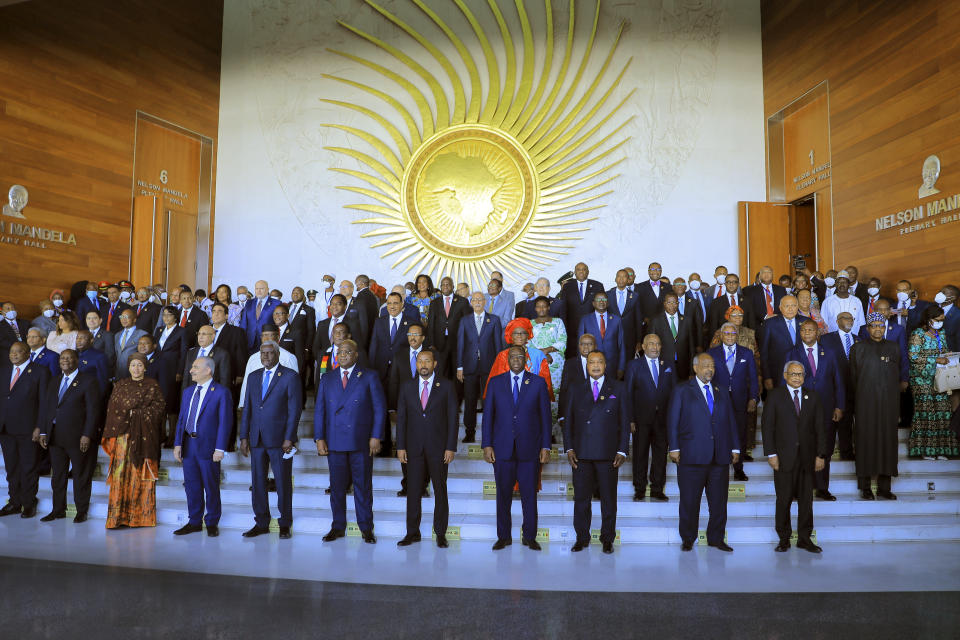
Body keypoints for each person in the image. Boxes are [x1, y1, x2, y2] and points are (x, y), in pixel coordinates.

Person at [314, 339, 385, 544]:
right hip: (335, 441)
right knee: (336, 488)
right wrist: (319, 438)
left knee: (362, 487)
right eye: (340, 352)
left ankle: (366, 528)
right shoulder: (327, 378)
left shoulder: (369, 376)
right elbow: (320, 410)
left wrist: (376, 436)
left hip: (360, 441)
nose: (342, 355)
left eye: (347, 352)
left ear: (356, 355)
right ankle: (337, 527)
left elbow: (379, 409)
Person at [667, 354, 739, 551]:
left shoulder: (721, 390)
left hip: (719, 456)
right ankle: (688, 538)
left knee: (719, 502)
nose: (710, 370)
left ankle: (716, 538)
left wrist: (735, 447)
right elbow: (673, 420)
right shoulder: (682, 390)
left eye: (712, 367)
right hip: (691, 455)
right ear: (695, 367)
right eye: (706, 366)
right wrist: (674, 447)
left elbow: (730, 420)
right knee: (690, 501)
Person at [482, 346, 552, 550]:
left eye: (520, 357)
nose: (516, 360)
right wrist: (487, 444)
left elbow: (545, 419)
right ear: (507, 359)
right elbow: (488, 417)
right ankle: (503, 536)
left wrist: (546, 446)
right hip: (502, 449)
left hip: (529, 449)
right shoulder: (495, 383)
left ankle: (530, 536)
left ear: (525, 359)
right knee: (502, 495)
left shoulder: (538, 383)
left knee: (529, 495)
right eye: (512, 357)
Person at [563, 351, 629, 553]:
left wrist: (622, 450)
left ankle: (607, 538)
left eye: (600, 361)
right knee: (581, 499)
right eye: (592, 362)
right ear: (586, 366)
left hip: (608, 453)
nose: (596, 365)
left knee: (609, 499)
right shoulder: (575, 389)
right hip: (581, 453)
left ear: (606, 365)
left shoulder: (618, 387)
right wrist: (569, 448)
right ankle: (581, 537)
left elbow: (625, 422)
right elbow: (568, 421)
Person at [762, 361, 829, 553]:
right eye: (793, 374)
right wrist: (771, 454)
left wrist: (820, 455)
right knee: (783, 499)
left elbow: (819, 429)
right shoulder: (775, 396)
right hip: (783, 458)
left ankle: (804, 539)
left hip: (807, 458)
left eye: (800, 374)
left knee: (806, 501)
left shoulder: (813, 397)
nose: (797, 377)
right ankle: (784, 539)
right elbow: (768, 428)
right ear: (785, 376)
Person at [239, 341, 302, 539]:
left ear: (277, 354)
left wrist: (289, 437)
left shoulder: (290, 376)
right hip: (256, 438)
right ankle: (261, 522)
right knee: (258, 483)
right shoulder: (253, 376)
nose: (265, 357)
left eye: (269, 353)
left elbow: (294, 410)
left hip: (280, 440)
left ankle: (285, 523)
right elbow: (248, 408)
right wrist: (243, 436)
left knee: (283, 482)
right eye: (262, 353)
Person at [395, 348, 458, 548]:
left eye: (427, 361)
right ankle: (412, 532)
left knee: (440, 490)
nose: (423, 365)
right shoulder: (406, 387)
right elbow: (402, 419)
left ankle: (440, 533)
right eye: (420, 361)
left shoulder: (447, 387)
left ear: (434, 364)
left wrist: (450, 447)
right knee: (413, 491)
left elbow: (453, 419)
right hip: (413, 449)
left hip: (439, 449)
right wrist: (401, 446)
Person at [101, 353, 167, 528]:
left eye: (140, 365)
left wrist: (136, 414)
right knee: (120, 475)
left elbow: (159, 409)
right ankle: (117, 518)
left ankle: (140, 518)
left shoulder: (152, 385)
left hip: (144, 439)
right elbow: (112, 409)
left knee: (140, 475)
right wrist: (128, 415)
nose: (136, 369)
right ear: (128, 367)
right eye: (133, 365)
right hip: (123, 438)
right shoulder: (121, 385)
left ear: (145, 367)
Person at [172, 355, 233, 537]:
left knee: (211, 485)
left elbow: (225, 422)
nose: (191, 370)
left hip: (209, 446)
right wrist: (177, 443)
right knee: (191, 485)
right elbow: (182, 419)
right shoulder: (188, 391)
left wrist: (220, 448)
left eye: (196, 367)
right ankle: (194, 521)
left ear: (208, 370)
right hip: (189, 444)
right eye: (192, 367)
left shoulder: (221, 392)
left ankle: (212, 521)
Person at [36, 349, 99, 523]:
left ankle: (81, 511)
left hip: (78, 437)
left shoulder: (88, 381)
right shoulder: (54, 381)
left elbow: (93, 411)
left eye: (69, 358)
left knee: (80, 475)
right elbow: (47, 408)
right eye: (63, 358)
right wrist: (43, 430)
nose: (65, 361)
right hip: (55, 436)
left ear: (77, 361)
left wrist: (87, 434)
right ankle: (58, 510)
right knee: (57, 476)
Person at [849, 313, 907, 500]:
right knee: (865, 443)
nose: (877, 329)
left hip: (889, 405)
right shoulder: (858, 348)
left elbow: (898, 377)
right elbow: (852, 379)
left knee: (887, 444)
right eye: (874, 326)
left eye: (881, 326)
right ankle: (865, 487)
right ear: (867, 328)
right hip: (865, 404)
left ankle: (884, 488)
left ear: (885, 328)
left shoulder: (894, 348)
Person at [786, 319, 846, 500]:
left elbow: (838, 381)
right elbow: (785, 383)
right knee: (800, 448)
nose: (807, 333)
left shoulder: (830, 352)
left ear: (817, 332)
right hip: (800, 408)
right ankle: (799, 488)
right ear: (800, 332)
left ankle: (822, 487)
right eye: (804, 330)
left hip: (826, 408)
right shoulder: (792, 353)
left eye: (811, 330)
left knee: (824, 447)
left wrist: (839, 405)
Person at [0, 342, 50, 518]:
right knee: (12, 468)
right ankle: (14, 502)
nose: (14, 354)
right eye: (11, 351)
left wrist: (40, 427)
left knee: (28, 467)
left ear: (28, 353)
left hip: (29, 429)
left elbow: (45, 402)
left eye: (18, 351)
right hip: (6, 429)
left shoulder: (40, 371)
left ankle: (29, 503)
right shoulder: (4, 370)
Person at [624, 334, 674, 501]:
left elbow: (674, 393)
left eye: (658, 344)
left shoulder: (668, 365)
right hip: (640, 419)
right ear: (643, 347)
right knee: (640, 454)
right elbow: (628, 393)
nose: (655, 347)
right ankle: (639, 488)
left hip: (663, 419)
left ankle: (657, 488)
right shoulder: (634, 365)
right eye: (651, 344)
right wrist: (630, 418)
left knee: (660, 454)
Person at [708, 322, 759, 481]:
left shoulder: (747, 353)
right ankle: (717, 467)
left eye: (733, 334)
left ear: (737, 336)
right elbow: (708, 377)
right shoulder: (712, 353)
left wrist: (753, 398)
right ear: (721, 336)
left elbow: (753, 378)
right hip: (719, 400)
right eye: (727, 334)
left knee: (740, 434)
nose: (730, 336)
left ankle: (738, 469)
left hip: (740, 399)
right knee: (717, 433)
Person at [907, 306, 959, 459]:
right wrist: (936, 359)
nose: (940, 323)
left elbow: (943, 351)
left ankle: (942, 450)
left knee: (943, 412)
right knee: (927, 413)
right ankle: (925, 450)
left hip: (941, 379)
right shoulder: (918, 334)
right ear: (929, 320)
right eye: (938, 320)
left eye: (942, 320)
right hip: (922, 380)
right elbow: (913, 357)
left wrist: (948, 355)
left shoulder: (941, 334)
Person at [387, 323, 431, 491]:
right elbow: (393, 383)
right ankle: (407, 484)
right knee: (404, 447)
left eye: (416, 334)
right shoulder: (399, 355)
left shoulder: (432, 356)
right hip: (405, 411)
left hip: (426, 410)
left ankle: (423, 485)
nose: (412, 337)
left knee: (424, 448)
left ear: (423, 338)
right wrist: (392, 408)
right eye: (410, 334)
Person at [456, 292, 504, 443]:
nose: (477, 302)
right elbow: (460, 345)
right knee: (470, 400)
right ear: (471, 302)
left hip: (489, 367)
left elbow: (498, 346)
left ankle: (490, 433)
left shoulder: (494, 320)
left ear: (485, 302)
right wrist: (459, 367)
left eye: (480, 299)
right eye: (474, 300)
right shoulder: (464, 320)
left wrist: (499, 367)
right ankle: (469, 433)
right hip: (469, 367)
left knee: (489, 400)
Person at [821, 311, 860, 461]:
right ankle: (825, 453)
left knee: (847, 422)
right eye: (845, 318)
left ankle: (846, 452)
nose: (849, 320)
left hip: (852, 389)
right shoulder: (826, 339)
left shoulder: (859, 340)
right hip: (831, 389)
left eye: (851, 318)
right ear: (837, 321)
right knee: (829, 424)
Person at [485, 318, 554, 399]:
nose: (519, 336)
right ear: (511, 335)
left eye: (523, 333)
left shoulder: (538, 355)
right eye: (515, 333)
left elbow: (545, 382)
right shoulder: (502, 355)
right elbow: (496, 383)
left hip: (532, 397)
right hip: (508, 398)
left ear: (528, 335)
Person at [154, 306, 187, 447]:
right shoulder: (159, 330)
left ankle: (173, 437)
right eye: (164, 315)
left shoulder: (182, 331)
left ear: (175, 316)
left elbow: (184, 353)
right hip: (158, 371)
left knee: (171, 404)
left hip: (172, 371)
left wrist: (180, 371)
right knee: (159, 403)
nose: (166, 317)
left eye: (169, 315)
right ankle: (161, 434)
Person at [759, 294, 808, 391]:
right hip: (777, 373)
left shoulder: (806, 322)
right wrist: (767, 377)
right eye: (787, 306)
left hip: (803, 372)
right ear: (780, 308)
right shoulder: (769, 324)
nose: (790, 309)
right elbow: (764, 352)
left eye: (793, 306)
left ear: (798, 307)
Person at [531, 295, 567, 424]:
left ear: (549, 307)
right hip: (536, 363)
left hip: (555, 364)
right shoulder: (529, 324)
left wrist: (547, 350)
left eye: (544, 306)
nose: (541, 309)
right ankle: (538, 427)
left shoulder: (558, 322)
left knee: (554, 395)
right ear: (535, 308)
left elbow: (562, 341)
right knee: (536, 394)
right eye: (538, 306)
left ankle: (552, 430)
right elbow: (528, 344)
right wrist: (541, 355)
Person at [426, 276, 470, 379]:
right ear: (440, 287)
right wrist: (431, 343)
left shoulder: (462, 301)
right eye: (443, 284)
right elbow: (431, 324)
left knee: (456, 370)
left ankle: (458, 394)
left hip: (457, 342)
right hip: (439, 343)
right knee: (441, 371)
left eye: (448, 284)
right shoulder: (434, 303)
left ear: (453, 286)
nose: (445, 286)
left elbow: (467, 323)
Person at [646, 291, 695, 380]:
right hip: (663, 364)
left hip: (683, 366)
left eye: (674, 303)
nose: (672, 305)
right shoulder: (656, 321)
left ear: (678, 303)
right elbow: (651, 345)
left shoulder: (687, 320)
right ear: (664, 304)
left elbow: (691, 348)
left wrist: (692, 371)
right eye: (669, 302)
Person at [559, 262, 605, 355]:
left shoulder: (597, 286)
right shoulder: (567, 287)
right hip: (572, 330)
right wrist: (563, 327)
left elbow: (603, 307)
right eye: (578, 270)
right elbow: (563, 308)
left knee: (593, 354)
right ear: (575, 272)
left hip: (592, 327)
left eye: (584, 269)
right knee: (572, 355)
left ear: (588, 272)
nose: (581, 272)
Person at [577, 292, 625, 379]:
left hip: (612, 367)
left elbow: (621, 346)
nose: (601, 301)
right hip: (592, 366)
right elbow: (580, 345)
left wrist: (621, 367)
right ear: (593, 303)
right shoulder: (585, 319)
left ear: (608, 303)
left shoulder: (617, 320)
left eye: (604, 299)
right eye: (598, 299)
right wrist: (581, 367)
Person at [181, 325, 232, 391]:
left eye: (204, 334)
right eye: (199, 334)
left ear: (213, 336)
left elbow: (224, 380)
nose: (200, 337)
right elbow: (186, 377)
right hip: (192, 392)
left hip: (211, 394)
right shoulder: (191, 352)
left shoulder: (222, 354)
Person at [240, 280, 280, 353]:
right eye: (257, 289)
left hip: (267, 341)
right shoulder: (249, 303)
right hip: (250, 342)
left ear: (268, 289)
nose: (259, 291)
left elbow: (278, 325)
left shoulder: (276, 303)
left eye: (261, 288)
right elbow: (244, 323)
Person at [608, 269, 639, 354]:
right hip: (611, 337)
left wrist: (639, 340)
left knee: (628, 363)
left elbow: (638, 319)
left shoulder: (635, 296)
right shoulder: (607, 295)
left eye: (624, 276)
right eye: (619, 276)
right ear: (615, 279)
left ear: (628, 279)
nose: (621, 279)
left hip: (629, 338)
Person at [113, 309, 147, 379]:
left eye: (126, 317)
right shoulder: (117, 335)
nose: (123, 319)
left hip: (135, 375)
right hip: (119, 375)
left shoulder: (142, 334)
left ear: (134, 319)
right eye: (121, 317)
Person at [352, 274, 380, 349]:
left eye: (356, 282)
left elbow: (361, 317)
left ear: (362, 283)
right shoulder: (372, 295)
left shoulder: (361, 296)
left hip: (363, 333)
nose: (356, 285)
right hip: (372, 330)